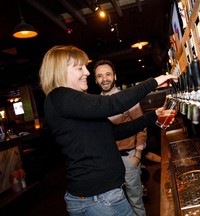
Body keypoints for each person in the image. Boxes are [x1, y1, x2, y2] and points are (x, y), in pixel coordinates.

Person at [39, 45, 177, 216]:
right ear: (60, 71)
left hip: (99, 196)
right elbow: (112, 104)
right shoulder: (59, 96)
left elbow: (114, 132)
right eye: (79, 67)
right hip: (99, 197)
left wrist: (153, 115)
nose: (87, 73)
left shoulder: (68, 102)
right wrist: (154, 82)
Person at [94, 59, 147, 216]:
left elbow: (141, 126)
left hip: (128, 158)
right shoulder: (94, 104)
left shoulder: (127, 98)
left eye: (108, 74)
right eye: (100, 76)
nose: (105, 79)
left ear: (115, 76)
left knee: (136, 200)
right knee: (113, 204)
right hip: (107, 162)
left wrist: (138, 154)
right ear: (96, 79)